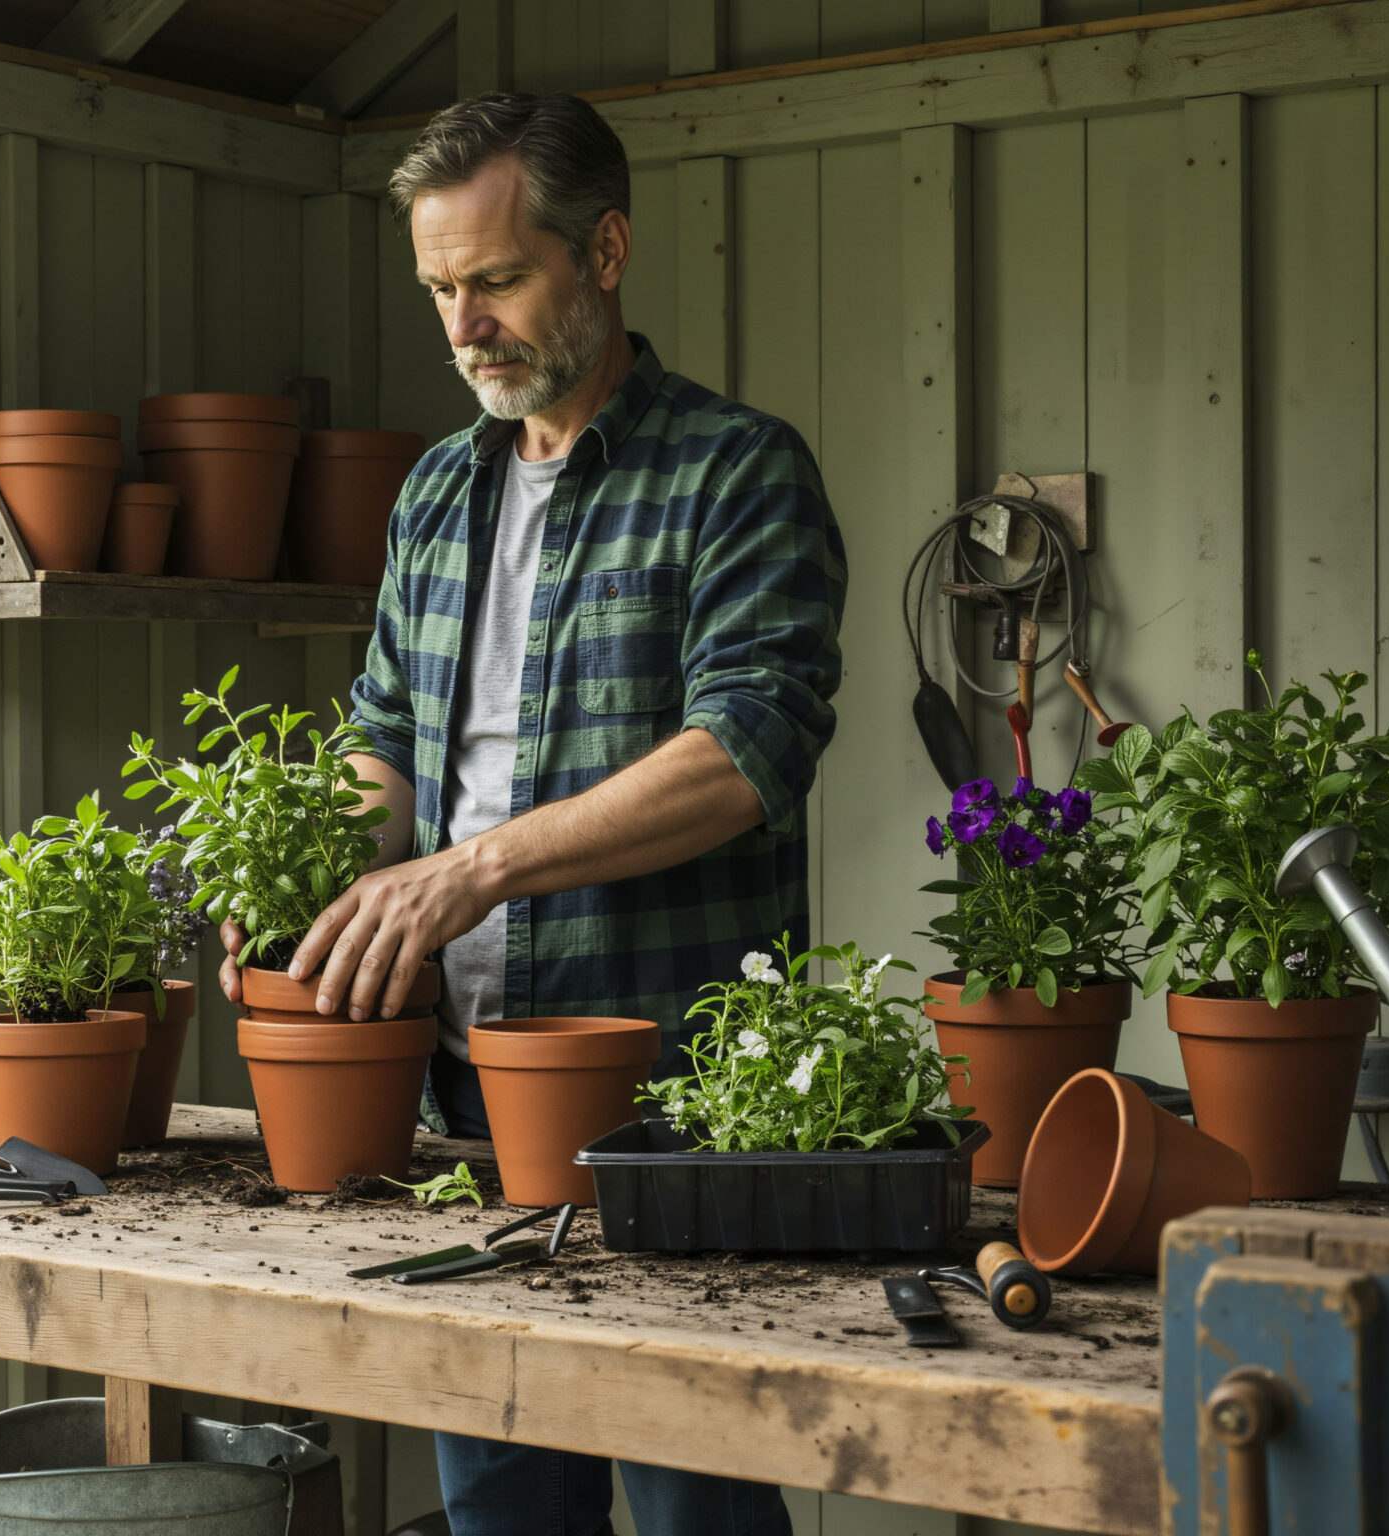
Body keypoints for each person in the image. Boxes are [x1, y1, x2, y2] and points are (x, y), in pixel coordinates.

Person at [213, 91, 844, 1536]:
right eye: (440, 288)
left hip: (680, 1130)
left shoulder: (737, 472)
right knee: (506, 1517)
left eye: (495, 280)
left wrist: (467, 874)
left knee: (700, 1515)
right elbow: (385, 739)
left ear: (605, 249)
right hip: (461, 1122)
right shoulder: (437, 493)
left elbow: (747, 748)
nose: (462, 326)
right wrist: (321, 863)